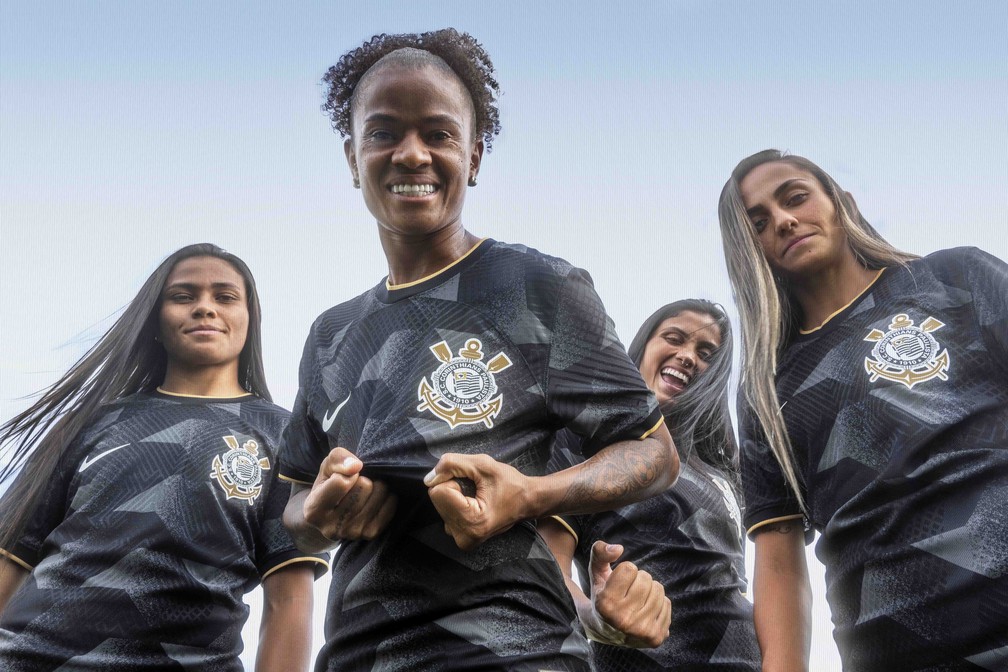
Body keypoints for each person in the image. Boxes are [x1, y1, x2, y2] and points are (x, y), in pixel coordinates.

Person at [279, 29, 679, 671]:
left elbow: (655, 454)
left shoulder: (539, 287)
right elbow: (292, 509)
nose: (411, 154)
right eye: (383, 133)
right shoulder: (330, 335)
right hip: (358, 657)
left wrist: (531, 493)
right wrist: (321, 509)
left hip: (517, 652)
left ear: (474, 156)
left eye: (437, 133)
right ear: (352, 158)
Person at [718, 149, 1008, 671]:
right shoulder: (765, 387)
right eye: (758, 223)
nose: (783, 221)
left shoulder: (955, 278)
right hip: (890, 651)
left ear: (842, 202)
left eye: (795, 197)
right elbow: (780, 566)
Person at [0, 244, 328, 672]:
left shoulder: (286, 437)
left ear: (250, 320)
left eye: (225, 297)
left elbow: (288, 600)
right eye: (183, 296)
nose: (205, 308)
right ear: (155, 320)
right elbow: (11, 560)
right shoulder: (88, 423)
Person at [541, 299, 762, 671]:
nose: (688, 356)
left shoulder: (723, 470)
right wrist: (596, 619)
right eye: (674, 338)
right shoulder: (583, 439)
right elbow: (549, 574)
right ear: (643, 347)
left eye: (706, 353)